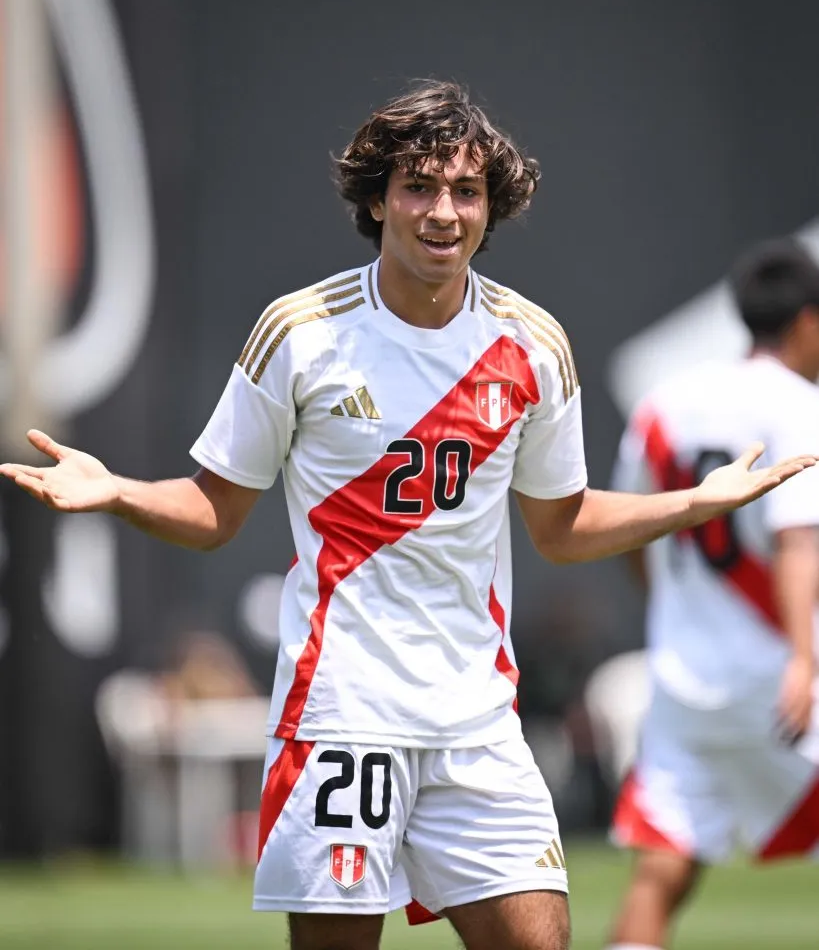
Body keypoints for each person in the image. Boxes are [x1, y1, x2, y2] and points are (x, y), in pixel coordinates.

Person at [1, 82, 814, 950]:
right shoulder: (301, 332)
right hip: (342, 715)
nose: (442, 212)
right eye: (418, 187)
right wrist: (118, 489)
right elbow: (212, 509)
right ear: (376, 198)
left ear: (491, 204)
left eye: (465, 191)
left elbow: (561, 527)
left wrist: (691, 503)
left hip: (475, 720)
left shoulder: (533, 344)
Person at [604, 238, 819, 950]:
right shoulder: (798, 406)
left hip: (684, 680)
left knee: (661, 865)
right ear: (806, 322)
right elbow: (798, 540)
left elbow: (630, 529)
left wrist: (670, 612)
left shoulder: (664, 403)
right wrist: (800, 659)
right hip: (786, 679)